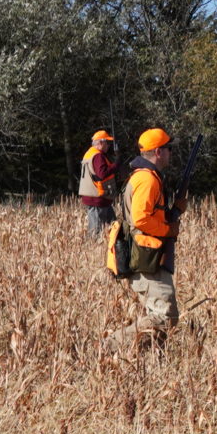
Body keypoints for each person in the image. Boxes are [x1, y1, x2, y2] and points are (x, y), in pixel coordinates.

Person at [105, 127, 181, 338]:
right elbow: (140, 219)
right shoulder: (147, 180)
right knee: (163, 317)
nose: (170, 153)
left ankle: (150, 361)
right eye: (167, 148)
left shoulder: (144, 176)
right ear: (158, 152)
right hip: (146, 256)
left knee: (164, 317)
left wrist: (175, 210)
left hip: (147, 255)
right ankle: (111, 346)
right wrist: (168, 229)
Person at [78, 129, 121, 232]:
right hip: (97, 198)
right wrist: (116, 165)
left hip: (97, 198)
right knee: (96, 231)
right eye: (107, 142)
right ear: (101, 143)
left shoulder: (89, 153)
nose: (109, 145)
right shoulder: (98, 156)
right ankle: (93, 247)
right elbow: (102, 174)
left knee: (113, 226)